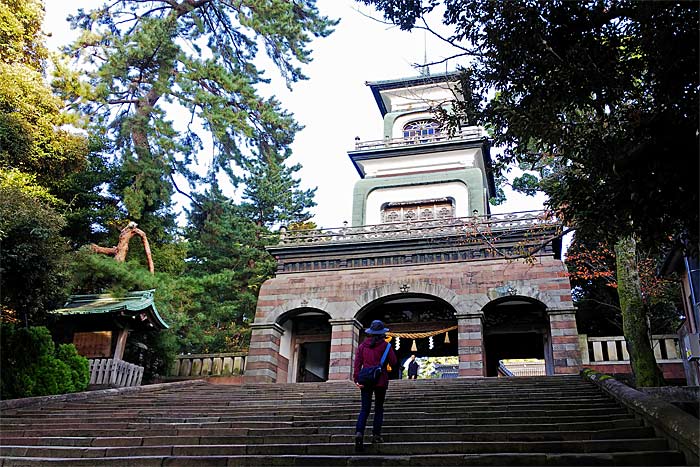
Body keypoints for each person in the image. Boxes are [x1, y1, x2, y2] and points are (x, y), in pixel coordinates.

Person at [353, 320, 397, 453]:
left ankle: (359, 433)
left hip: (365, 380)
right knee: (378, 408)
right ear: (382, 333)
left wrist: (357, 379)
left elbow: (357, 364)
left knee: (364, 409)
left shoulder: (362, 346)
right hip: (380, 380)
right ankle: (376, 435)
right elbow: (394, 362)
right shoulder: (386, 346)